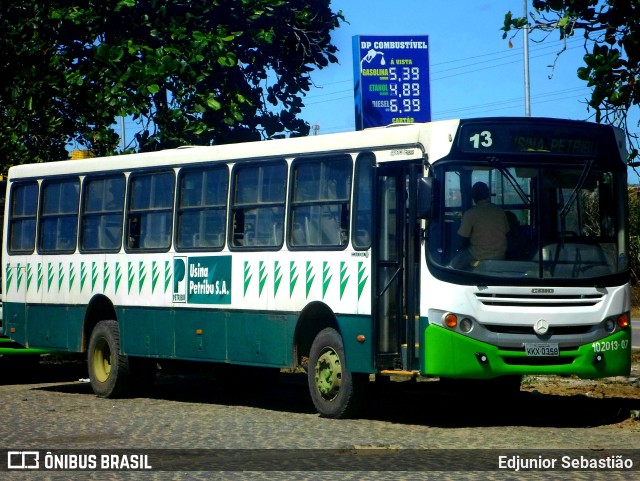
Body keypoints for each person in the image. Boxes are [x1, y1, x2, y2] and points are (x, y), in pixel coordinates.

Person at [450, 181, 510, 269]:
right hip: (500, 255)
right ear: (488, 195)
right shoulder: (500, 211)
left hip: (478, 255)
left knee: (451, 267)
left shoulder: (470, 214)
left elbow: (462, 238)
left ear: (473, 197)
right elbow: (507, 231)